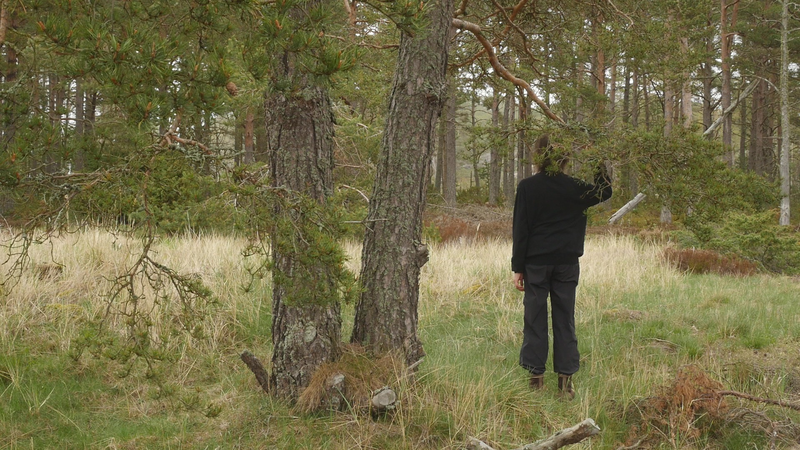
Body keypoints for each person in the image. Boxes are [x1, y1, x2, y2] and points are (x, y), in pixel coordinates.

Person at [511, 134, 612, 399]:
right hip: (567, 263)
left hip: (536, 264)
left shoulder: (528, 187)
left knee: (534, 318)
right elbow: (605, 191)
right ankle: (565, 384)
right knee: (564, 319)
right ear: (566, 158)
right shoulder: (576, 187)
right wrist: (596, 158)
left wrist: (518, 267)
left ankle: (536, 380)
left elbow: (521, 230)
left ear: (538, 155)